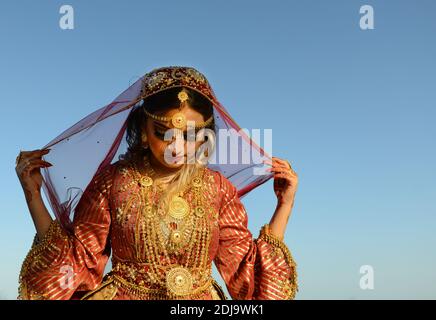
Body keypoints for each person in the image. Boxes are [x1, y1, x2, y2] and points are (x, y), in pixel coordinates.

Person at [15, 66, 299, 300]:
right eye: (163, 132)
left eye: (189, 135)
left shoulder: (218, 188)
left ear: (205, 137)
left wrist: (284, 205)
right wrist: (33, 197)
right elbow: (78, 261)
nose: (177, 146)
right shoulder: (114, 181)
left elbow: (246, 274)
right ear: (143, 130)